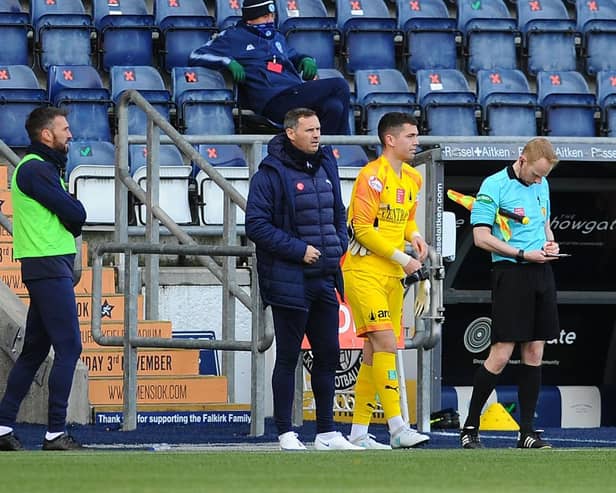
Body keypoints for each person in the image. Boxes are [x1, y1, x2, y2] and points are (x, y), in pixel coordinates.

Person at [245, 107, 361, 451]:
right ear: (290, 132)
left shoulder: (327, 164)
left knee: (329, 355)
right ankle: (285, 432)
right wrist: (298, 250)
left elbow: (337, 212)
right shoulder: (269, 173)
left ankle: (326, 431)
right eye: (309, 129)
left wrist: (340, 243)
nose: (316, 135)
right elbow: (256, 226)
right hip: (289, 280)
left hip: (325, 277)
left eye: (319, 129)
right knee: (288, 356)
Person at [460, 137, 560, 449]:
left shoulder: (541, 184)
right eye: (535, 174)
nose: (539, 180)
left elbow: (544, 226)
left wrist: (550, 244)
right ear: (522, 160)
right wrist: (520, 253)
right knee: (501, 353)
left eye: (544, 176)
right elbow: (480, 237)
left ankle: (527, 431)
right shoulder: (494, 185)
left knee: (535, 352)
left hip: (541, 271)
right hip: (511, 272)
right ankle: (471, 426)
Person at [343, 112, 431, 449]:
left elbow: (404, 219)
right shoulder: (371, 177)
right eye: (410, 136)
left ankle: (359, 434)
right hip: (364, 271)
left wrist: (416, 236)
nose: (416, 142)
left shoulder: (412, 178)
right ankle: (397, 427)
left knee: (373, 349)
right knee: (385, 343)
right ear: (390, 140)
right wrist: (404, 258)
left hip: (393, 275)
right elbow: (362, 230)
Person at [0, 107, 86, 451]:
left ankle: (3, 426)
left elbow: (72, 214)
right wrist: (73, 210)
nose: (70, 134)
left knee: (34, 352)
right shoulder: (36, 169)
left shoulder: (42, 169)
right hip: (48, 265)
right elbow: (75, 214)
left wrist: (72, 212)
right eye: (64, 128)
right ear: (45, 134)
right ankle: (54, 432)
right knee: (70, 347)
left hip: (48, 265)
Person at [188, 0, 351, 135]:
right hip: (273, 100)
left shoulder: (277, 37)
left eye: (272, 16)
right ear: (250, 19)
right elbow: (196, 55)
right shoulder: (233, 36)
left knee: (334, 107)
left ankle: (325, 154)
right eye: (265, 17)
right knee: (340, 85)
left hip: (293, 92)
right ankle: (346, 144)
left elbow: (291, 55)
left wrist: (305, 59)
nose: (270, 21)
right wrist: (227, 62)